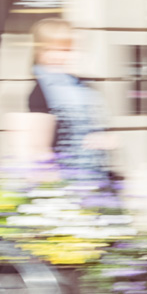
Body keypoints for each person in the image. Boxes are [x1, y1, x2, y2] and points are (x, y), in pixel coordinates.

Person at [23, 18, 115, 179]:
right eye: (62, 50)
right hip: (66, 181)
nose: (71, 56)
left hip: (94, 177)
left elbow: (101, 129)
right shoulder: (41, 92)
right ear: (42, 52)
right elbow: (40, 149)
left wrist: (106, 140)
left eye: (71, 49)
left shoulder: (85, 87)